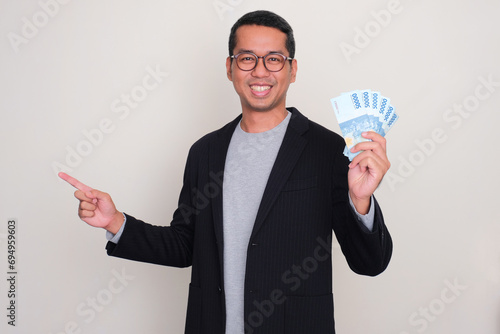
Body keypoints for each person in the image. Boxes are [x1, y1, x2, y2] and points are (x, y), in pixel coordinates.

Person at [59, 10, 392, 334]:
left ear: (292, 70)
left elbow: (370, 263)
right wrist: (115, 222)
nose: (260, 71)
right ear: (230, 68)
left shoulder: (327, 149)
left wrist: (361, 201)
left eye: (274, 59)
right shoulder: (205, 152)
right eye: (247, 58)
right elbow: (184, 245)